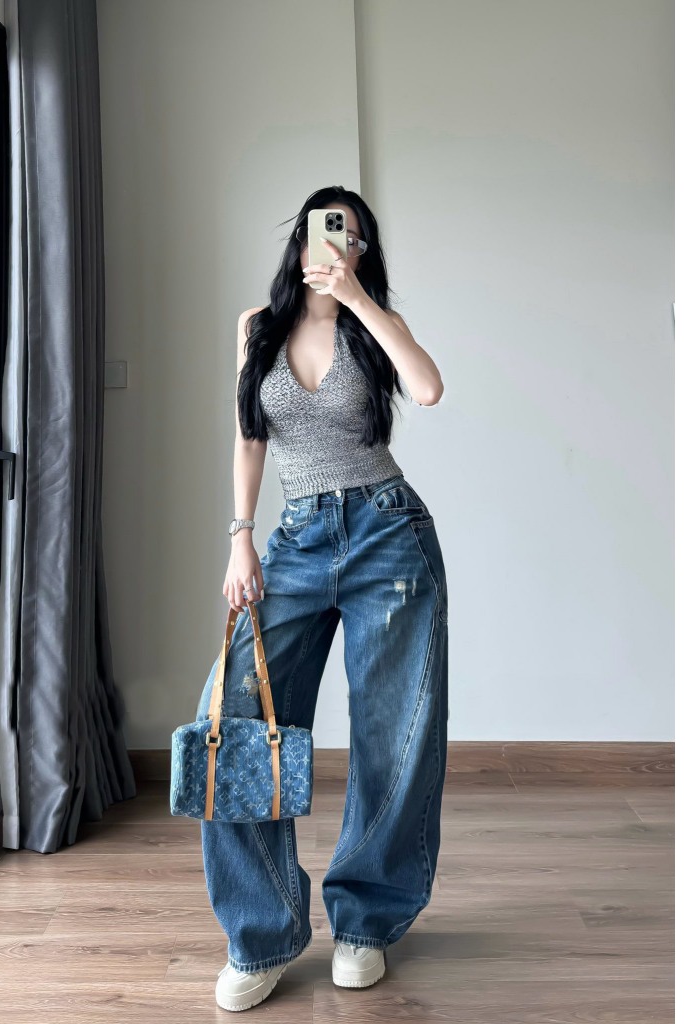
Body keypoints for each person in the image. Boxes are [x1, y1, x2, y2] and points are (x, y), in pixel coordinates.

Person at [194, 186, 449, 1012]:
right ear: (299, 238)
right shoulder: (255, 328)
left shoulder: (373, 325)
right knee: (235, 723)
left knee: (391, 738)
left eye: (354, 237)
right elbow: (249, 435)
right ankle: (261, 931)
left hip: (388, 537)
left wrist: (360, 300)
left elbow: (429, 388)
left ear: (364, 251)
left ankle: (366, 924)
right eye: (326, 230)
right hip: (294, 541)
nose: (338, 244)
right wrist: (240, 536)